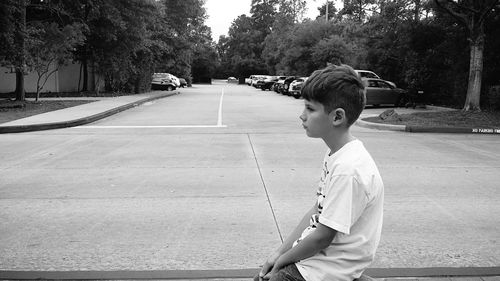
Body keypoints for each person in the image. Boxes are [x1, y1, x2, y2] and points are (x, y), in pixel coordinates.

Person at [255, 64, 384, 281]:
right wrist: (279, 253)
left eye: (310, 109)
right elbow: (318, 210)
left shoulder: (348, 169)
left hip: (331, 266)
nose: (302, 116)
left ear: (337, 117)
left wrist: (282, 262)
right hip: (324, 258)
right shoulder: (337, 154)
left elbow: (322, 237)